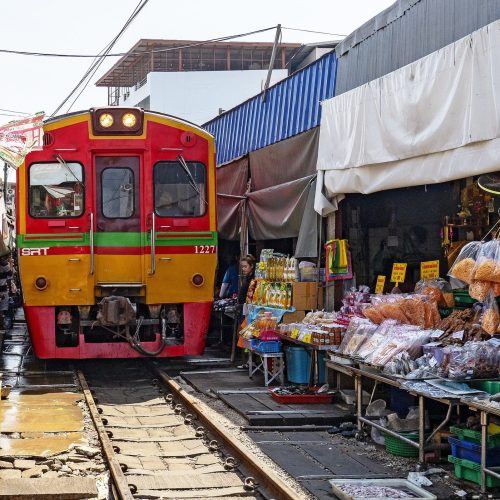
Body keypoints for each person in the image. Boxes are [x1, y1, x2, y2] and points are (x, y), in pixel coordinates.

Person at [235, 254, 256, 368]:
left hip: (248, 310)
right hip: (244, 308)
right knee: (244, 334)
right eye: (242, 267)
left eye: (245, 266)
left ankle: (250, 361)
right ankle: (248, 361)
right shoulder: (248, 278)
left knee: (246, 334)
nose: (243, 269)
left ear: (251, 266)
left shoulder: (253, 279)